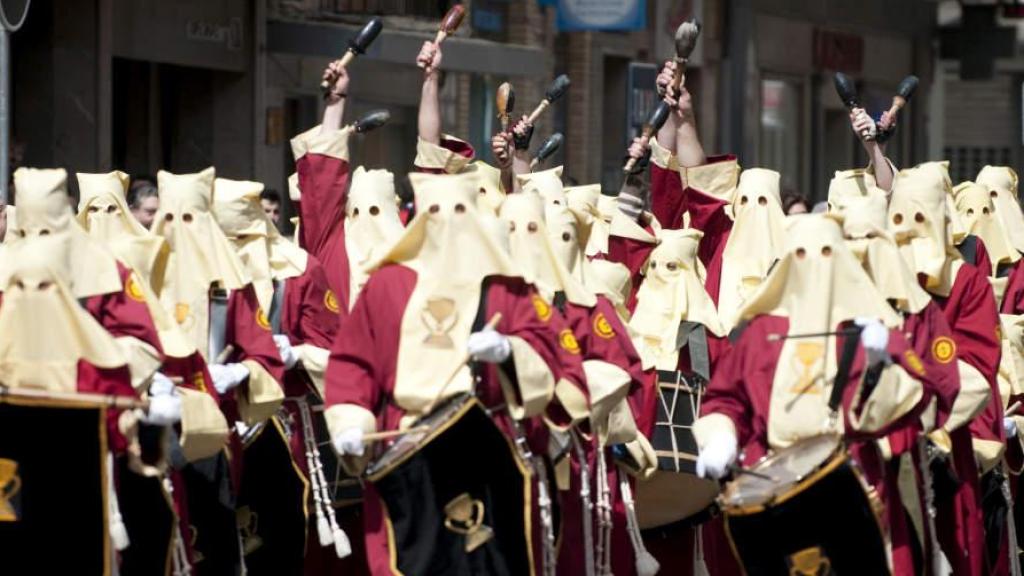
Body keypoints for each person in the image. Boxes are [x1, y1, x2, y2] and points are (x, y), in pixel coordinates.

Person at [324, 170, 571, 576]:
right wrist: (350, 419)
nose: (448, 223)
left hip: (488, 447)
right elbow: (353, 361)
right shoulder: (388, 283)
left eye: (459, 211)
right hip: (405, 443)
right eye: (435, 213)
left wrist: (510, 352)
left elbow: (549, 354)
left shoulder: (504, 285)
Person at [213, 177, 344, 573]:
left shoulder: (300, 270)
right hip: (217, 420)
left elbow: (336, 352)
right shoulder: (198, 269)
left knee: (280, 532)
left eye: (243, 238)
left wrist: (295, 352)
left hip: (284, 423)